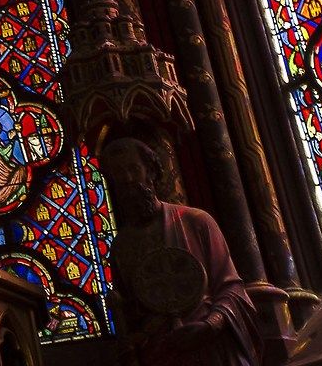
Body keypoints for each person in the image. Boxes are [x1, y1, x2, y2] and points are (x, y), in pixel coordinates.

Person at [103, 137, 259, 366]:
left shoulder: (196, 222)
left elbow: (232, 288)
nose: (127, 179)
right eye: (118, 173)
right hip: (161, 354)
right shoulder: (121, 247)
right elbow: (130, 314)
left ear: (151, 172)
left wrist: (211, 324)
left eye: (133, 169)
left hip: (210, 347)